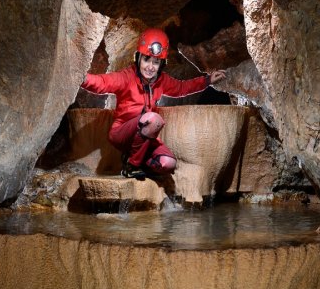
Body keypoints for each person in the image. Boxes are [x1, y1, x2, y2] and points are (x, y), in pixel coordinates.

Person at [81, 28, 227, 179]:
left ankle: (137, 162)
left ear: (161, 64)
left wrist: (207, 81)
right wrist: (82, 78)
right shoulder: (126, 77)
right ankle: (132, 166)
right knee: (153, 119)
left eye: (156, 62)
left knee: (168, 163)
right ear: (138, 58)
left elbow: (182, 88)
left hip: (144, 137)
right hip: (122, 133)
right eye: (146, 60)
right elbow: (102, 83)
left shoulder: (161, 80)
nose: (150, 67)